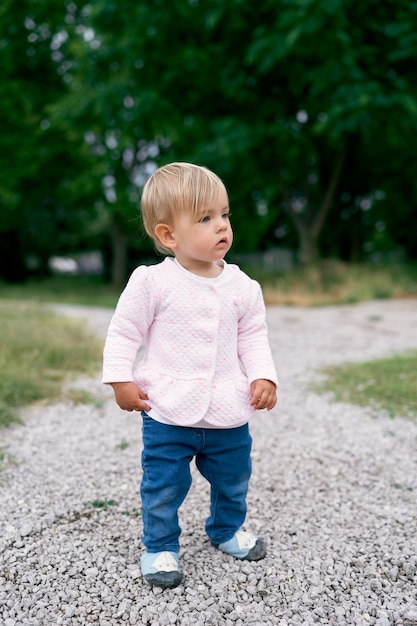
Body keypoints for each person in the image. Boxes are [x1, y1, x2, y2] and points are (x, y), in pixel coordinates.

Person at [102, 162, 278, 589]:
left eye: (224, 214)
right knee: (163, 484)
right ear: (168, 235)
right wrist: (119, 379)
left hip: (227, 411)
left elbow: (253, 337)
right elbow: (125, 331)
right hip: (167, 412)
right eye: (205, 218)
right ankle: (160, 545)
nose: (221, 225)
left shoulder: (243, 287)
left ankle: (226, 529)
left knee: (234, 479)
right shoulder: (152, 283)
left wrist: (263, 376)